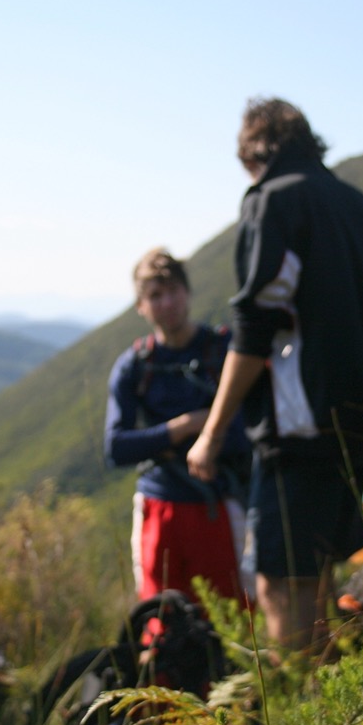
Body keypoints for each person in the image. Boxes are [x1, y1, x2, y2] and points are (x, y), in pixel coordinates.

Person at [187, 97, 363, 652]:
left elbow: (257, 321)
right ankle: (333, 706)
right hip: (362, 425)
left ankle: (296, 717)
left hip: (299, 429)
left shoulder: (273, 202)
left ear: (252, 154)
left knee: (276, 586)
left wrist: (211, 437)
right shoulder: (361, 207)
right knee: (316, 576)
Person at [104, 247, 252, 603]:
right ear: (140, 306)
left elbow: (247, 434)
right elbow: (116, 448)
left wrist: (166, 439)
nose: (167, 303)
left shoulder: (224, 351)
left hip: (220, 502)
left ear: (187, 292)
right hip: (159, 504)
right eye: (155, 295)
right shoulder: (135, 365)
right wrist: (187, 426)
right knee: (161, 615)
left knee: (229, 615)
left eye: (173, 291)